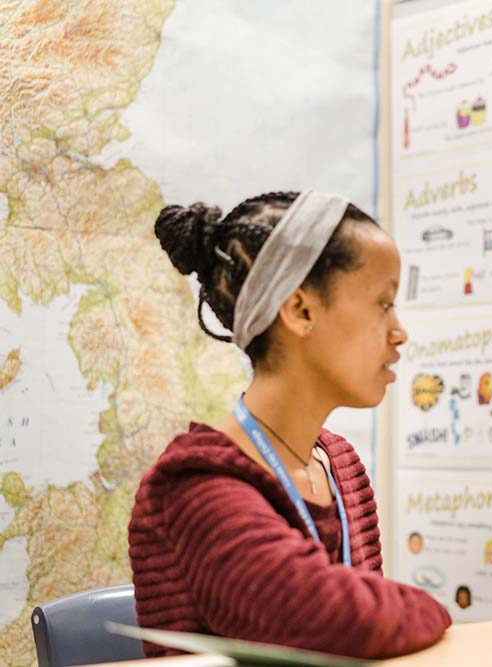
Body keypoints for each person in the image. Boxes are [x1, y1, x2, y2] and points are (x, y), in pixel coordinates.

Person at [129, 191, 451, 657]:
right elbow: (349, 623)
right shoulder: (195, 486)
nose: (400, 332)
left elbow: (370, 627)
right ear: (300, 311)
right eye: (384, 304)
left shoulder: (340, 465)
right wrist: (429, 608)